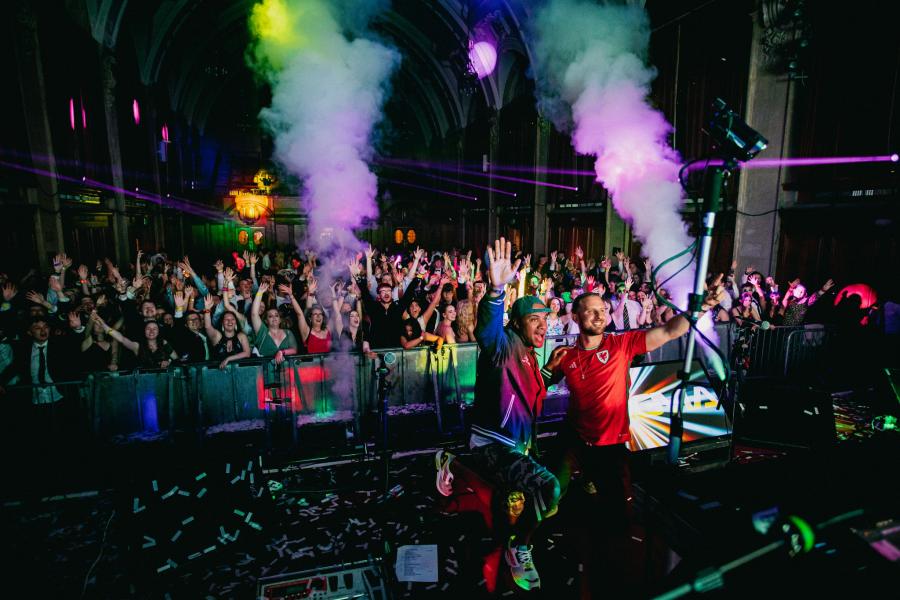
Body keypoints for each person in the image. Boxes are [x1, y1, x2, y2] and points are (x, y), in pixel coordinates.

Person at [434, 238, 560, 591]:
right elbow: (486, 331)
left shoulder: (529, 356)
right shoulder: (503, 342)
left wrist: (551, 370)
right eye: (533, 320)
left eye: (544, 319)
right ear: (517, 323)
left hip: (516, 445)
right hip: (493, 443)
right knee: (547, 489)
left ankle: (452, 464)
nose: (541, 326)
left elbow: (530, 394)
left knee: (516, 504)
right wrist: (496, 289)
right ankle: (517, 549)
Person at [92, 312, 178, 369]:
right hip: (144, 382)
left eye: (155, 328)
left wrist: (169, 362)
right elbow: (121, 339)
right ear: (144, 331)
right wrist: (104, 326)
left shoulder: (163, 342)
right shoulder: (137, 346)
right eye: (148, 328)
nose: (151, 331)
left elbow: (177, 359)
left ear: (158, 332)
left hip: (164, 379)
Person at [203, 293, 251, 370]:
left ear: (236, 322)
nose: (230, 322)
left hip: (239, 374)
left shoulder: (241, 336)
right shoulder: (217, 336)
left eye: (232, 319)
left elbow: (247, 353)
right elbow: (208, 326)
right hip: (217, 374)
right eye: (226, 320)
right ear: (222, 322)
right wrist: (207, 310)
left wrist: (228, 359)